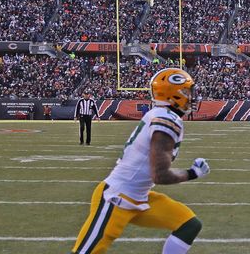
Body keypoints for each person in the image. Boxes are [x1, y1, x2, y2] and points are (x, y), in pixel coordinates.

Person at [70, 68, 210, 254]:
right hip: (117, 197)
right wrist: (193, 173)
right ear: (173, 94)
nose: (192, 96)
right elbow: (160, 175)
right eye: (187, 91)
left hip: (140, 196)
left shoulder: (161, 115)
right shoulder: (166, 119)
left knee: (189, 224)